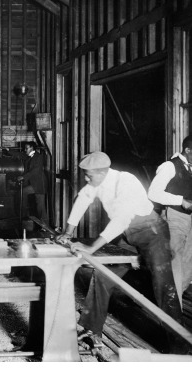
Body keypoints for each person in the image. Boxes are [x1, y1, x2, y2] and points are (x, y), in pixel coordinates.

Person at [57, 151, 187, 354]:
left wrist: (92, 247)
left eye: (88, 175)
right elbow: (82, 199)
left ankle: (181, 348)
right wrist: (68, 231)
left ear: (101, 172)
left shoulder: (126, 182)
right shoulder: (97, 183)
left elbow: (121, 220)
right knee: (103, 272)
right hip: (129, 234)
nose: (85, 179)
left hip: (152, 232)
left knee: (164, 287)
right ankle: (92, 330)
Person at [148, 135, 192, 305]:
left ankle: (174, 308)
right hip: (175, 217)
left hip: (190, 220)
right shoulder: (169, 166)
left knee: (188, 267)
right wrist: (181, 201)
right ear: (187, 150)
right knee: (174, 263)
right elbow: (153, 193)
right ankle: (172, 312)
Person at [16, 141, 48, 224]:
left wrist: (23, 177)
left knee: (40, 207)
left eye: (26, 148)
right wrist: (8, 150)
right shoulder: (29, 157)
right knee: (39, 206)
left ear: (32, 148)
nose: (25, 150)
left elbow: (35, 171)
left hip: (39, 185)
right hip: (34, 184)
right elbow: (20, 155)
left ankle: (45, 226)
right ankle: (25, 217)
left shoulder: (39, 157)